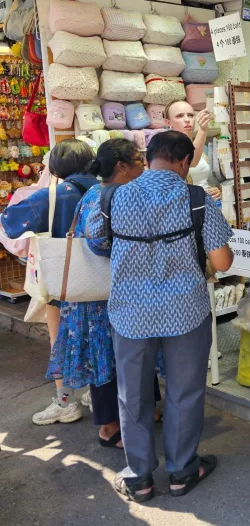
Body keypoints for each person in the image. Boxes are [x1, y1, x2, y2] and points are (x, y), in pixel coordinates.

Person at [86, 131, 233, 502]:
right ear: (184, 162)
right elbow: (222, 261)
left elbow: (96, 240)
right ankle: (183, 472)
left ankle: (139, 477)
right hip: (186, 312)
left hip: (130, 314)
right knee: (185, 391)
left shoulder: (112, 196)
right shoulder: (196, 199)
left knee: (132, 395)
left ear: (148, 157)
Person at [46, 139, 145, 447]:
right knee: (108, 358)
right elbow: (97, 240)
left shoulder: (92, 192)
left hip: (111, 292)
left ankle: (142, 411)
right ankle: (110, 425)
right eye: (138, 159)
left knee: (130, 353)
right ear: (122, 167)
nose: (143, 164)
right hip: (102, 296)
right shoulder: (112, 195)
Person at [1, 139, 97, 426]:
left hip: (63, 281)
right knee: (99, 338)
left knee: (62, 341)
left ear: (55, 166)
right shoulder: (104, 189)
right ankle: (97, 392)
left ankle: (65, 402)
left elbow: (11, 222)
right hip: (102, 280)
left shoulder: (53, 195)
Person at [162, 100, 221, 200]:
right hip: (188, 207)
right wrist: (203, 130)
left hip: (208, 203)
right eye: (179, 116)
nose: (187, 119)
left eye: (190, 115)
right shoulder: (167, 148)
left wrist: (216, 191)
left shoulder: (199, 145)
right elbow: (192, 161)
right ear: (168, 122)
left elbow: (202, 180)